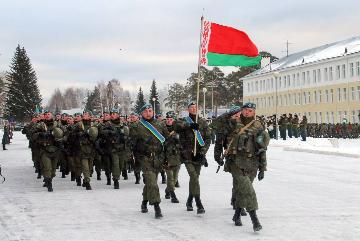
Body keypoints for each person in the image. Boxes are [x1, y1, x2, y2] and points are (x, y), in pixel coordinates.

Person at [216, 102, 268, 231]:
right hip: (236, 163)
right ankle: (255, 220)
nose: (247, 112)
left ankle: (237, 214)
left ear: (254, 112)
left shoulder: (259, 126)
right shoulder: (233, 123)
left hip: (252, 164)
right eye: (245, 110)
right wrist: (229, 114)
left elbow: (262, 148)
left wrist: (262, 168)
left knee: (242, 191)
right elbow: (217, 127)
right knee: (248, 191)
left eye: (250, 110)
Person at [130, 104, 169, 219]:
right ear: (141, 113)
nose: (148, 113)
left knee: (149, 183)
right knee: (152, 182)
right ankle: (157, 207)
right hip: (144, 158)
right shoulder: (137, 126)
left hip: (158, 158)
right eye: (146, 111)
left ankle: (144, 202)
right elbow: (131, 143)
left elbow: (167, 141)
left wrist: (167, 157)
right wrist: (131, 158)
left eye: (150, 110)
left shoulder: (160, 124)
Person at [174, 101, 211, 214]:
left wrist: (203, 152)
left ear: (198, 108)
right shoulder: (184, 120)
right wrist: (189, 125)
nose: (193, 109)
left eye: (195, 107)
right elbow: (176, 127)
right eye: (191, 107)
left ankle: (189, 200)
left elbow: (208, 139)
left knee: (195, 179)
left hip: (198, 155)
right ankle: (198, 202)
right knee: (194, 177)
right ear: (188, 109)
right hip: (187, 154)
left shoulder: (203, 122)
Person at [163, 111, 181, 203]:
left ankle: (168, 190)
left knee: (175, 177)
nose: (169, 121)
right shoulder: (162, 129)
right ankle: (173, 195)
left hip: (177, 157)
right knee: (170, 177)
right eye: (167, 119)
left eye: (171, 119)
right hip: (166, 157)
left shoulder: (179, 130)